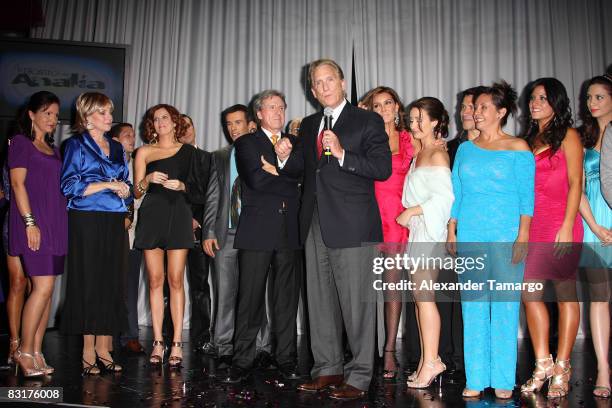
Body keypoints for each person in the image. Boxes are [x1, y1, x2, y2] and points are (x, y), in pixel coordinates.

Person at [286, 59, 391, 400]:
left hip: (353, 223)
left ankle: (359, 375)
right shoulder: (310, 125)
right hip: (314, 222)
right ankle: (328, 368)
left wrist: (344, 153)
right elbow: (306, 170)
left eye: (330, 79)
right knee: (319, 301)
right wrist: (287, 155)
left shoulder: (367, 119)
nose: (324, 86)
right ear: (312, 91)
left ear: (342, 82)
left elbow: (382, 167)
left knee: (357, 304)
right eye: (318, 82)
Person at [447, 81, 535, 399]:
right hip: (471, 233)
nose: (476, 112)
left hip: (506, 234)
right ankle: (476, 376)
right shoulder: (466, 149)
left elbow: (527, 197)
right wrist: (451, 228)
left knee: (505, 306)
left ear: (501, 112)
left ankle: (502, 378)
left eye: (484, 107)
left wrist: (523, 234)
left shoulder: (518, 148)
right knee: (473, 306)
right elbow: (457, 192)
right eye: (475, 107)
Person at [222, 90, 301, 383]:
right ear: (259, 114)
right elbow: (255, 180)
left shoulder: (296, 142)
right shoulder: (245, 143)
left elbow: (303, 180)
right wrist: (287, 178)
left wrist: (278, 173)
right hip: (256, 230)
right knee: (250, 300)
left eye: (281, 107)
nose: (278, 112)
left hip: (288, 231)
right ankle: (242, 360)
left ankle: (286, 359)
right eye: (271, 107)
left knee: (286, 301)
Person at [519, 78, 583, 399]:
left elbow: (576, 182)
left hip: (560, 221)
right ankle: (543, 362)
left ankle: (563, 366)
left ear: (557, 102)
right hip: (533, 225)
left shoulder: (569, 136)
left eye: (542, 98)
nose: (535, 103)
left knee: (564, 294)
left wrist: (568, 225)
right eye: (532, 98)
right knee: (529, 293)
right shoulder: (527, 140)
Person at [60, 92, 131, 375]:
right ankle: (88, 349)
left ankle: (104, 346)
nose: (109, 117)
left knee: (111, 283)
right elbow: (69, 187)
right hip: (85, 219)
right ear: (87, 116)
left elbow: (124, 181)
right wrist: (107, 186)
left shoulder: (117, 148)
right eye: (102, 112)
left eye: (109, 111)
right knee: (89, 282)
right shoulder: (74, 145)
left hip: (113, 219)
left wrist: (125, 190)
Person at [203, 104, 274, 370]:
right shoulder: (220, 156)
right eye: (228, 124)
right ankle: (223, 346)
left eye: (237, 123)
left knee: (257, 292)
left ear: (250, 124)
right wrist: (209, 231)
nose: (232, 128)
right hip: (226, 233)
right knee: (224, 291)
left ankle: (262, 346)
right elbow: (213, 196)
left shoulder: (265, 150)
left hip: (257, 232)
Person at [134, 104, 202, 368]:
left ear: (175, 122)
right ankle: (158, 341)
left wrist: (183, 185)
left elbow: (198, 189)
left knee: (175, 280)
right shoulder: (144, 152)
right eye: (156, 118)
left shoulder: (188, 151)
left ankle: (176, 342)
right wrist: (148, 178)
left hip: (179, 215)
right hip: (152, 215)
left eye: (165, 117)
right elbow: (137, 192)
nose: (160, 121)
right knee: (154, 281)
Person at [9, 91, 67, 377]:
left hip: (56, 225)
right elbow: (18, 185)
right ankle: (23, 350)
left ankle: (37, 349)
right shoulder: (21, 143)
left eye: (55, 115)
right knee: (41, 288)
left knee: (47, 293)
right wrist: (30, 222)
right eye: (46, 113)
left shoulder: (54, 150)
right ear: (31, 114)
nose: (52, 119)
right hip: (34, 224)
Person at [397, 97, 453, 389]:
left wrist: (412, 211)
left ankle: (432, 361)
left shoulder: (437, 156)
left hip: (429, 235)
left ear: (435, 121)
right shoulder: (423, 152)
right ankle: (426, 359)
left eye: (421, 118)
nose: (415, 124)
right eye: (412, 118)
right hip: (419, 233)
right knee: (420, 302)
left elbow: (444, 201)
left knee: (425, 300)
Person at [362, 86, 415, 380]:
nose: (383, 109)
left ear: (397, 107)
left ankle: (390, 350)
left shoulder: (410, 139)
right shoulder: (364, 138)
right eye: (376, 105)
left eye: (387, 103)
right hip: (368, 217)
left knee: (392, 288)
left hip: (397, 219)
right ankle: (361, 350)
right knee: (362, 289)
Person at [578, 73, 612, 399]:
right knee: (598, 298)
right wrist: (595, 226)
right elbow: (575, 189)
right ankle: (603, 367)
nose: (592, 103)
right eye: (589, 97)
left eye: (599, 96)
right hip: (592, 227)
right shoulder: (583, 139)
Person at [178, 114, 214, 354]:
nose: (185, 130)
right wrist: (184, 216)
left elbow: (212, 195)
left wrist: (199, 221)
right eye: (180, 127)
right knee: (170, 284)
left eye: (188, 125)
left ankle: (202, 337)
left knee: (201, 286)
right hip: (173, 227)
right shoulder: (169, 156)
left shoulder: (208, 158)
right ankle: (171, 337)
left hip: (201, 230)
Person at [110, 122, 145, 354]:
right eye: (126, 135)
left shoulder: (139, 162)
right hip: (111, 232)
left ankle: (130, 335)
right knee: (111, 285)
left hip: (135, 234)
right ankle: (108, 335)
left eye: (133, 135)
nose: (132, 139)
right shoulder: (109, 163)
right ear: (114, 140)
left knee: (130, 284)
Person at [3, 161, 29, 367]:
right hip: (15, 221)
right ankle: (14, 343)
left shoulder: (48, 151)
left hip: (44, 219)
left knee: (36, 285)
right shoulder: (16, 149)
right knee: (18, 282)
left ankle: (30, 346)